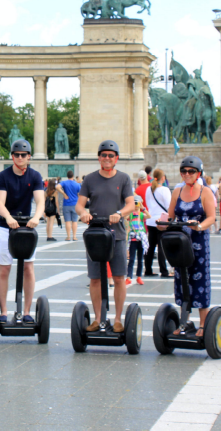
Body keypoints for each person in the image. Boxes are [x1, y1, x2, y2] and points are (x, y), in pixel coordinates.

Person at [75, 140, 134, 333]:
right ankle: (98, 318)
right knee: (95, 278)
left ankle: (117, 319)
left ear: (116, 158)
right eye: (103, 155)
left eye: (111, 155)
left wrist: (120, 213)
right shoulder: (90, 179)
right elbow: (79, 204)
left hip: (116, 234)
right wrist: (83, 213)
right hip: (96, 235)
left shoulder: (124, 179)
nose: (107, 158)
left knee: (118, 277)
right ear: (99, 158)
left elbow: (131, 205)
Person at [158, 156, 216, 337]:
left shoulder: (205, 192)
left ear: (199, 173)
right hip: (180, 242)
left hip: (198, 242)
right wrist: (162, 223)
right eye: (184, 171)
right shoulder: (177, 191)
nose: (187, 174)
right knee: (182, 279)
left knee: (200, 281)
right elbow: (170, 215)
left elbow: (211, 217)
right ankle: (184, 321)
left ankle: (203, 324)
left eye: (191, 171)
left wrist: (198, 226)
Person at [0, 139, 45, 324]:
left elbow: (40, 201)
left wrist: (36, 217)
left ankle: (26, 311)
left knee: (28, 268)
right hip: (5, 227)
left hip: (26, 228)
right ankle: (4, 311)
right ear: (12, 156)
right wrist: (8, 217)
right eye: (17, 155)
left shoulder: (35, 176)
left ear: (29, 157)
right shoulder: (3, 176)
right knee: (4, 269)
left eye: (24, 155)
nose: (20, 158)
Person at [145, 169, 172, 278]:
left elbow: (147, 203)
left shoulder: (149, 189)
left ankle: (148, 269)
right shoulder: (164, 190)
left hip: (151, 219)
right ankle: (164, 271)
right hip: (161, 220)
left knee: (150, 246)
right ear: (163, 178)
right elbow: (169, 205)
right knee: (161, 247)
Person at [126, 195, 150, 286]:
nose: (136, 205)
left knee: (140, 259)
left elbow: (149, 216)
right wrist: (130, 208)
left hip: (141, 238)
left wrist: (143, 208)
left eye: (137, 203)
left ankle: (139, 276)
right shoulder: (131, 214)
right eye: (135, 203)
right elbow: (125, 217)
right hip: (133, 238)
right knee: (131, 259)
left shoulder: (141, 214)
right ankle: (129, 277)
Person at [56, 170, 81, 241]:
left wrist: (64, 194)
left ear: (67, 176)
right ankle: (74, 236)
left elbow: (57, 187)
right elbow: (79, 195)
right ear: (73, 176)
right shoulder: (77, 184)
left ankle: (68, 236)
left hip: (66, 204)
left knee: (67, 221)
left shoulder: (64, 182)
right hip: (75, 204)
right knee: (74, 221)